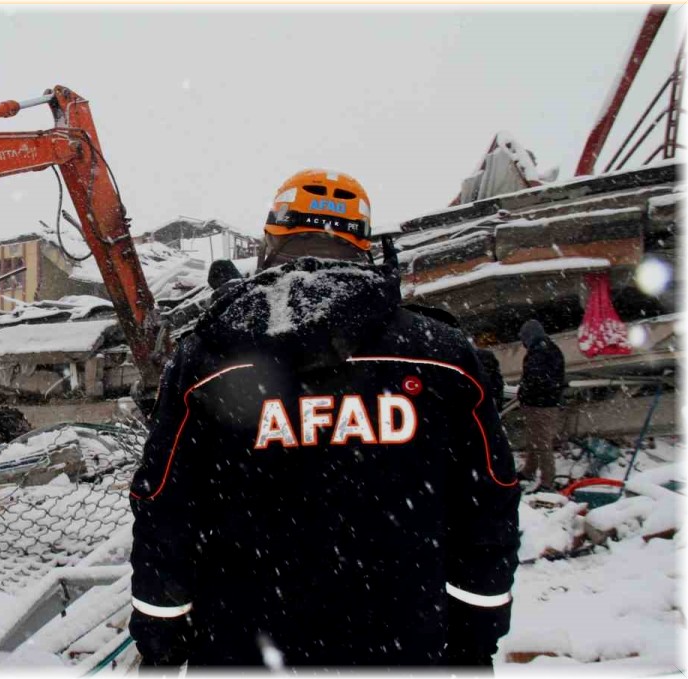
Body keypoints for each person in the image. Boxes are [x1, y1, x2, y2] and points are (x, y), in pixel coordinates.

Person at [128, 169, 521, 668]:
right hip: (404, 642)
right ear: (365, 245)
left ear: (271, 240)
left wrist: (161, 638)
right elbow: (489, 499)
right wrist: (474, 635)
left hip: (242, 643)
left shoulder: (207, 359)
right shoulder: (440, 354)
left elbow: (165, 505)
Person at [517, 318, 566, 491]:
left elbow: (537, 379)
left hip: (541, 405)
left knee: (543, 443)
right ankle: (529, 470)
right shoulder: (546, 349)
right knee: (534, 440)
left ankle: (547, 481)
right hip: (540, 403)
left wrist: (525, 390)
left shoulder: (541, 352)